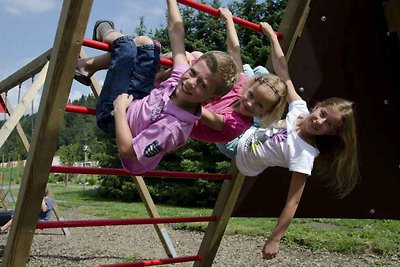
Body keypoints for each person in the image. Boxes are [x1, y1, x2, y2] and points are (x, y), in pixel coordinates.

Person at [227, 22, 360, 260]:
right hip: (255, 128)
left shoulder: (304, 154)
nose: (319, 122)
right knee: (259, 74)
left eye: (328, 124)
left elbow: (294, 200)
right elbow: (283, 71)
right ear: (317, 106)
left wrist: (275, 238)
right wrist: (272, 37)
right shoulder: (299, 110)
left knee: (223, 102)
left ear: (330, 134)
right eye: (322, 114)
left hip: (239, 149)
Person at [75, 0, 238, 174]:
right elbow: (176, 34)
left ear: (211, 98)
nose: (190, 82)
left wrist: (120, 109)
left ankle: (103, 31)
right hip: (135, 101)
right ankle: (88, 66)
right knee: (146, 44)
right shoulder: (179, 78)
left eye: (202, 84)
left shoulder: (173, 128)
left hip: (114, 115)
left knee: (125, 46)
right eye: (193, 72)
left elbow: (128, 151)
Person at [189, 8, 287, 143]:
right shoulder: (241, 87)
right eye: (251, 95)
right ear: (248, 87)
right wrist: (228, 19)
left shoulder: (236, 124)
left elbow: (198, 112)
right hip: (195, 105)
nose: (249, 103)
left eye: (259, 105)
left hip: (183, 121)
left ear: (266, 113)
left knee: (187, 60)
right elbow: (234, 52)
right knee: (197, 55)